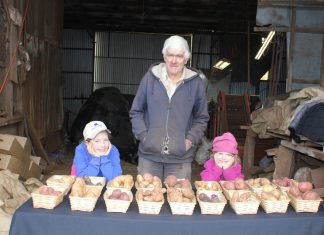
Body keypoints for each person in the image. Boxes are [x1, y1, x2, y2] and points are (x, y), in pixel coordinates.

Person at [130, 35, 209, 181]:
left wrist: (189, 140)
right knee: (147, 199)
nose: (174, 60)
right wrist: (144, 137)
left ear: (186, 59)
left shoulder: (195, 83)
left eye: (179, 56)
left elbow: (201, 117)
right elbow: (136, 111)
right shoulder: (150, 78)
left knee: (178, 201)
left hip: (180, 159)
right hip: (149, 157)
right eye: (170, 55)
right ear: (164, 57)